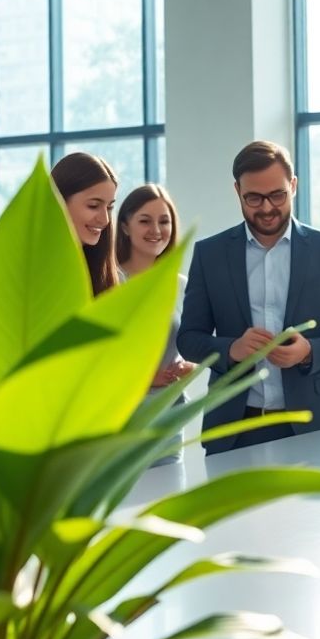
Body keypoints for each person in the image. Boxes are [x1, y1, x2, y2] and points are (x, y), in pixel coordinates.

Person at [177, 140, 320, 454]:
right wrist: (232, 349)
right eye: (254, 197)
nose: (266, 207)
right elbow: (189, 339)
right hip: (234, 430)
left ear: (293, 186)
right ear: (237, 190)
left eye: (277, 195)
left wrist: (309, 351)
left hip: (310, 428)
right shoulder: (209, 254)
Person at [116, 184, 196, 464]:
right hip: (118, 421)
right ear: (125, 226)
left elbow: (193, 345)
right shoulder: (111, 283)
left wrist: (190, 368)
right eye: (145, 221)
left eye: (164, 221)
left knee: (166, 502)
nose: (156, 230)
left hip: (167, 420)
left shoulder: (182, 286)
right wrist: (143, 377)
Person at [51, 152, 119, 296]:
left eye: (109, 207)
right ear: (59, 202)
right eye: (94, 206)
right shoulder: (28, 274)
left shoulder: (109, 277)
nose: (105, 219)